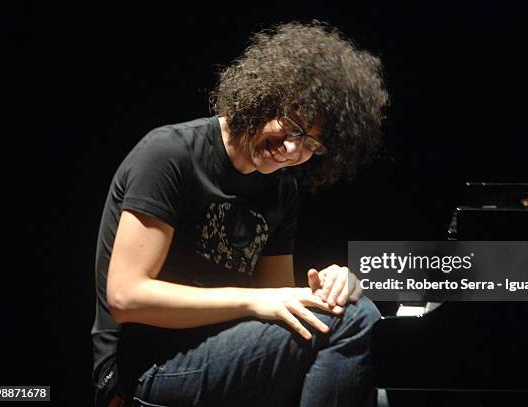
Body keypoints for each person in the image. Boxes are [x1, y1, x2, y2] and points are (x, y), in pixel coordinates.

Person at [91, 21, 389, 407]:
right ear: (265, 95)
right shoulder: (171, 154)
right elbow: (125, 296)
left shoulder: (282, 191)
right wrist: (252, 302)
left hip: (221, 352)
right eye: (293, 126)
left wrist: (328, 288)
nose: (292, 149)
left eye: (311, 143)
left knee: (349, 315)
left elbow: (277, 302)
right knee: (355, 320)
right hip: (145, 366)